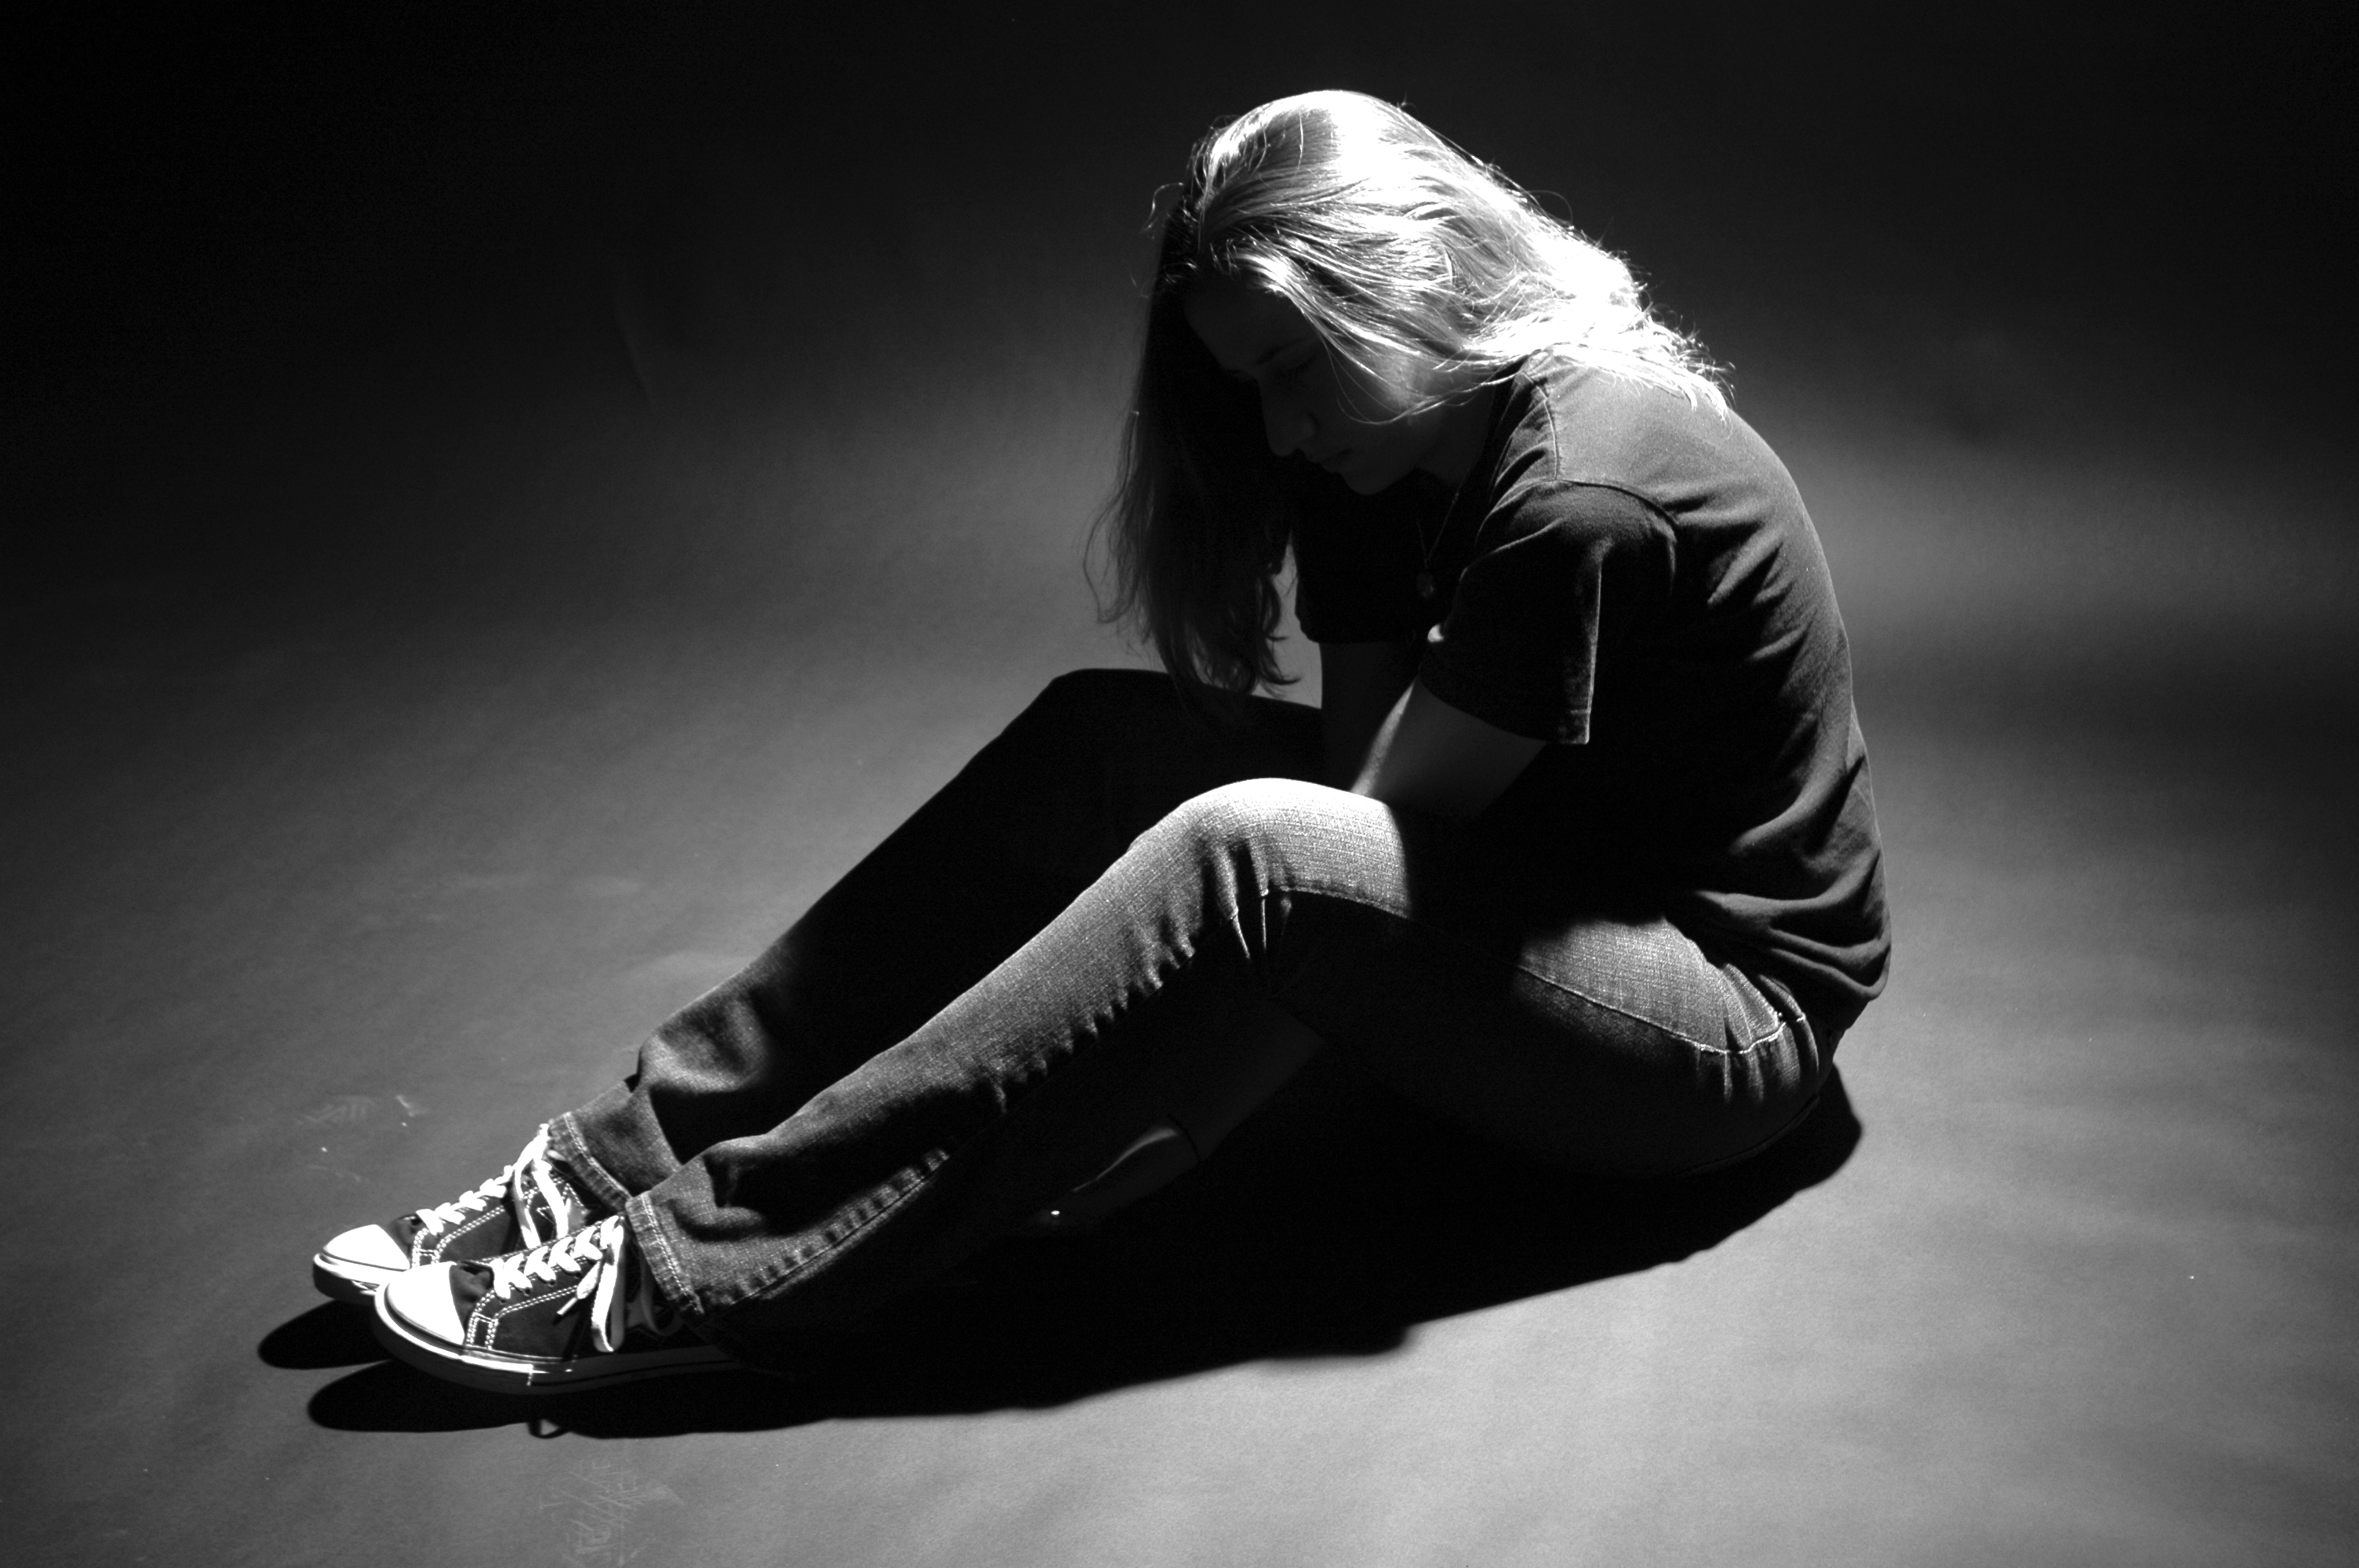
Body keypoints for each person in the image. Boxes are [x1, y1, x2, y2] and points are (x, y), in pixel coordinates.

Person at [314, 89, 1889, 1394]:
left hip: (1717, 1025)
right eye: (1245, 383)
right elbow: (1371, 808)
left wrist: (1192, 1119)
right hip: (1538, 887)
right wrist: (1216, 1042)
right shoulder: (1384, 440)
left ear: (1408, 281)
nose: (1273, 429)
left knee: (1244, 851)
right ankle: (613, 1159)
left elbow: (1343, 854)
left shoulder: (1580, 497)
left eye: (1289, 367)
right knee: (1107, 736)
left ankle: (680, 1271)